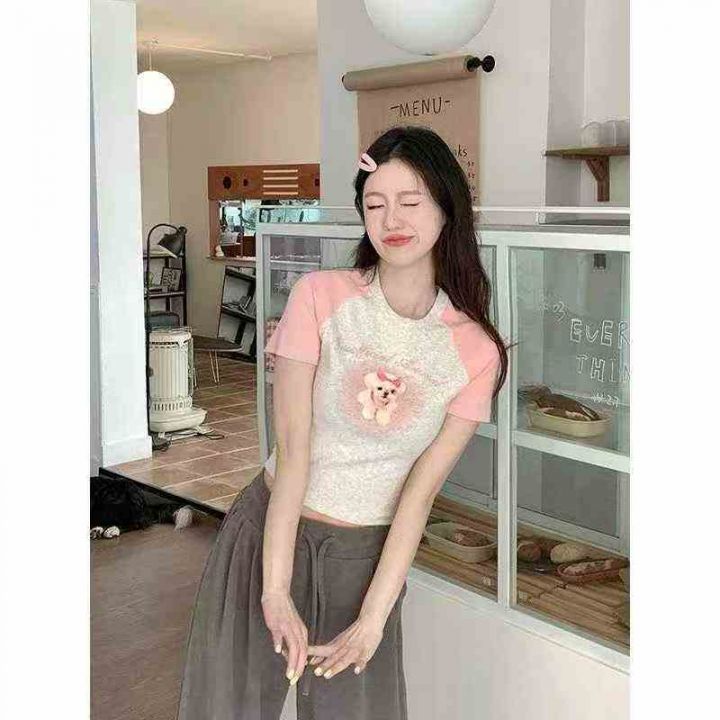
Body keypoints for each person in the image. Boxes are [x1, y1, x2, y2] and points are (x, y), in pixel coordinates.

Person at [176, 125, 509, 720]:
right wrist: (274, 590)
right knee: (226, 706)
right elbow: (293, 450)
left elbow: (418, 497)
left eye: (410, 202)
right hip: (268, 532)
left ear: (446, 208)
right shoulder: (319, 297)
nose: (391, 220)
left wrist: (373, 618)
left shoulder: (476, 352)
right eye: (374, 204)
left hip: (363, 560)